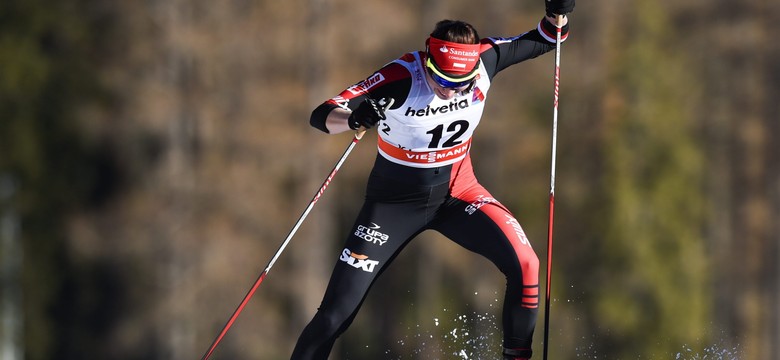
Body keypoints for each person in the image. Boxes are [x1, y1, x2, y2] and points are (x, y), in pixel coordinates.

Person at [292, 1, 574, 359]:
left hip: (458, 194)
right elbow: (322, 115)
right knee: (336, 314)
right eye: (441, 80)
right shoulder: (400, 77)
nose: (451, 90)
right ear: (427, 60)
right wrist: (353, 119)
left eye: (461, 83)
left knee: (527, 265)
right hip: (392, 207)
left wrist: (558, 11)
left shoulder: (486, 58)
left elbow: (549, 37)